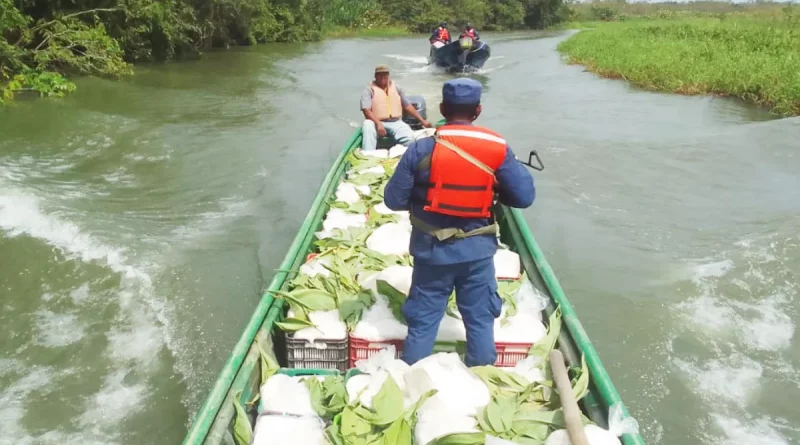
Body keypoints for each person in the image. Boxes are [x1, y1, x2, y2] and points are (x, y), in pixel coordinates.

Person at [383, 78, 535, 367]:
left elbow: (393, 200)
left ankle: (414, 379)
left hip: (431, 252)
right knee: (479, 321)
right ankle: (481, 378)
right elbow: (524, 197)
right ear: (477, 110)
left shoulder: (421, 149)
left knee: (423, 322)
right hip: (477, 254)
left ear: (442, 108)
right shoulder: (497, 148)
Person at [360, 64, 431, 152]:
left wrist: (422, 121)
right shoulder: (368, 90)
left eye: (385, 75)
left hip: (396, 122)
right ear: (375, 76)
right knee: (367, 124)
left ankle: (405, 157)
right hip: (376, 123)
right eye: (380, 75)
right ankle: (368, 155)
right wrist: (378, 123)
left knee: (411, 140)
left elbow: (407, 106)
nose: (382, 77)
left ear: (388, 75)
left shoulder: (397, 88)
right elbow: (366, 110)